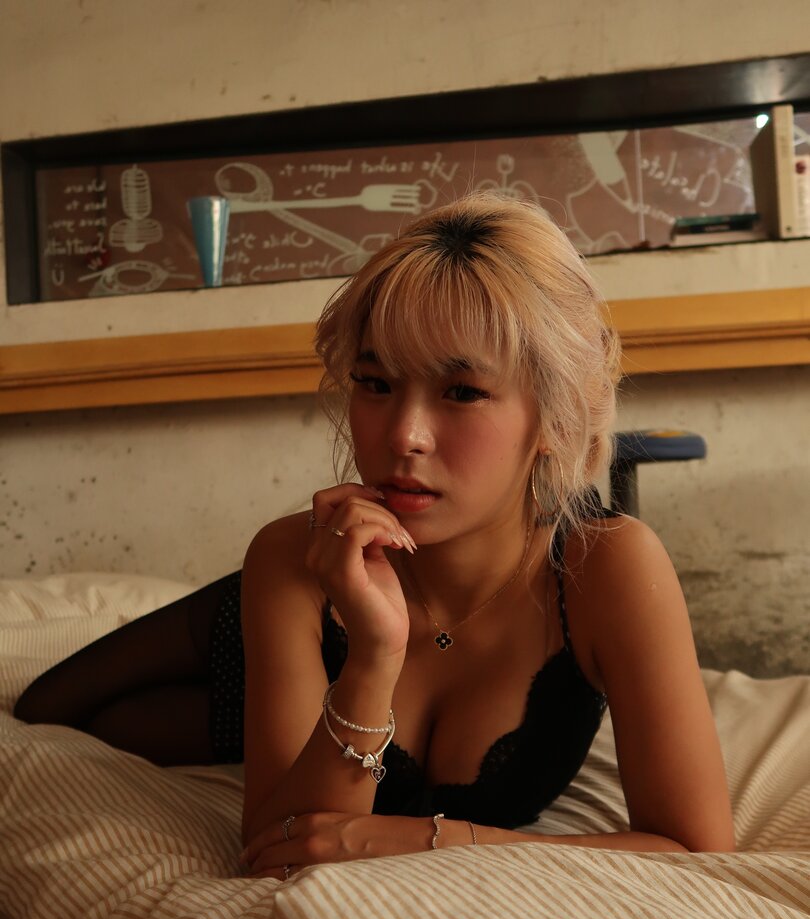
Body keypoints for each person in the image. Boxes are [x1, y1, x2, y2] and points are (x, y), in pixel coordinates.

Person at [13, 190, 736, 879]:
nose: (404, 436)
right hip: (308, 607)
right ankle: (270, 694)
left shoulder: (607, 566)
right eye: (376, 383)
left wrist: (431, 838)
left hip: (312, 661)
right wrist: (372, 654)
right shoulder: (291, 559)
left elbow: (697, 848)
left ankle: (266, 716)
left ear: (554, 415)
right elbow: (279, 851)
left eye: (462, 392)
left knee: (160, 723)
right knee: (51, 708)